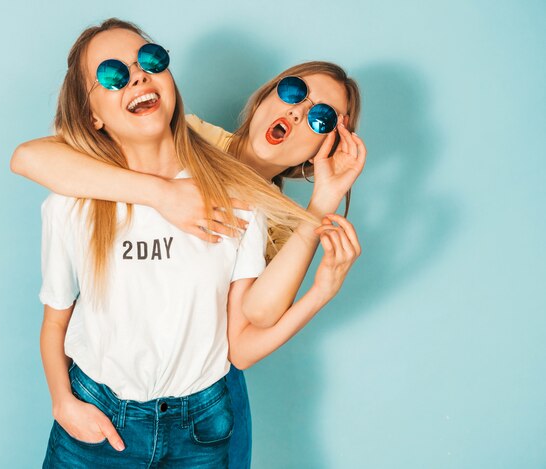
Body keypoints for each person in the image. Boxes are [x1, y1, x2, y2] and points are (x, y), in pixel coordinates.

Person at [29, 18, 361, 468]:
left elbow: (245, 333)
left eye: (320, 118)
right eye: (292, 92)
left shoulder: (272, 219)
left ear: (317, 154)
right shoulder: (184, 133)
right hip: (111, 391)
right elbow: (32, 158)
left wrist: (322, 215)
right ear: (264, 96)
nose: (299, 113)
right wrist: (163, 194)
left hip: (205, 387)